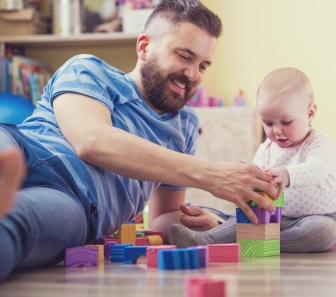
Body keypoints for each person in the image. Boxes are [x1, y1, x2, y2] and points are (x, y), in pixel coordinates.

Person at [0, 0, 278, 282]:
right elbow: (91, 140)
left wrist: (207, 224)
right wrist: (211, 174)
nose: (193, 75)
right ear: (144, 47)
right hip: (26, 148)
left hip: (76, 202)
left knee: (17, 224)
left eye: (203, 66)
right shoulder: (89, 70)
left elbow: (162, 216)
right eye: (184, 56)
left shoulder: (185, 125)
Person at [170, 67, 336, 252]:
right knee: (243, 218)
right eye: (268, 123)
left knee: (322, 233)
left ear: (309, 114)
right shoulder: (266, 148)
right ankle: (204, 240)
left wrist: (286, 174)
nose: (276, 130)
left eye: (286, 122)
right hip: (270, 216)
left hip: (316, 217)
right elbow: (254, 178)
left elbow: (318, 168)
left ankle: (262, 242)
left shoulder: (319, 141)